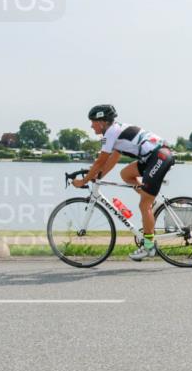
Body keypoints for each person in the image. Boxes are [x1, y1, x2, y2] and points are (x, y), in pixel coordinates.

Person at [73, 104, 175, 260]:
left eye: (92, 121)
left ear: (101, 122)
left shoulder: (111, 133)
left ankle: (148, 247)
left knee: (143, 204)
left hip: (159, 157)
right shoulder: (115, 131)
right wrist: (97, 177)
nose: (91, 125)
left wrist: (83, 181)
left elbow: (101, 161)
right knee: (126, 174)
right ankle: (151, 203)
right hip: (152, 157)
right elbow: (112, 160)